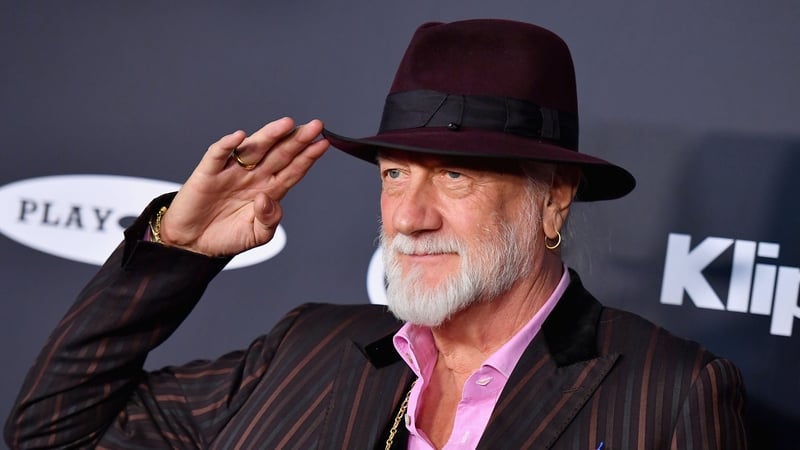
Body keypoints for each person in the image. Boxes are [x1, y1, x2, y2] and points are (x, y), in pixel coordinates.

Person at [5, 19, 747, 450]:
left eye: (455, 177)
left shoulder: (669, 392)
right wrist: (179, 250)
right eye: (395, 175)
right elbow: (50, 433)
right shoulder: (306, 349)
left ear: (554, 201)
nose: (411, 215)